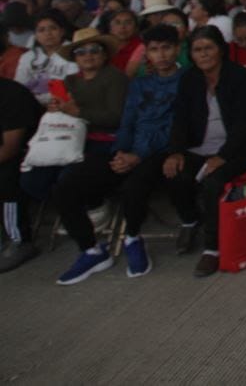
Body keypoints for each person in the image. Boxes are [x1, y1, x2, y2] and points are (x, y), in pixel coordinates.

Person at [52, 24, 184, 284]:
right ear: (147, 53)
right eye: (154, 50)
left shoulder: (189, 80)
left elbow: (176, 127)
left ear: (177, 49)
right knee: (65, 184)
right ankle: (91, 250)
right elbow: (128, 121)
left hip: (163, 150)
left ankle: (133, 238)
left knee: (133, 185)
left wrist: (138, 155)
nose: (162, 55)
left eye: (167, 48)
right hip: (129, 148)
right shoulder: (140, 83)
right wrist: (121, 152)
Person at [163, 26, 246, 277]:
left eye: (208, 48)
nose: (203, 54)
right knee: (172, 172)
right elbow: (181, 120)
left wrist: (223, 156)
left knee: (213, 181)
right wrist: (175, 152)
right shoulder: (189, 79)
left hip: (237, 148)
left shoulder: (238, 77)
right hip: (200, 147)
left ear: (221, 49)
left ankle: (212, 248)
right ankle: (191, 220)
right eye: (197, 50)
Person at [20, 28, 129, 205]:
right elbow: (62, 110)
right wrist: (56, 107)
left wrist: (77, 112)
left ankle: (89, 206)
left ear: (104, 54)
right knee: (31, 180)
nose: (88, 55)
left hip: (104, 141)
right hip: (68, 138)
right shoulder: (69, 80)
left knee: (70, 179)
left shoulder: (116, 78)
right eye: (81, 52)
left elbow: (117, 118)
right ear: (75, 57)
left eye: (94, 50)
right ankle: (71, 208)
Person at [0, 77, 42, 272]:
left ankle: (19, 240)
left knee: (6, 175)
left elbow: (10, 148)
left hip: (30, 152)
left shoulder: (11, 94)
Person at [13, 11, 75, 101]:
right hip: (31, 104)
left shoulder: (73, 52)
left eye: (53, 28)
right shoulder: (28, 57)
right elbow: (19, 86)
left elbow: (71, 87)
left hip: (65, 102)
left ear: (62, 31)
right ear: (36, 35)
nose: (48, 33)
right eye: (41, 30)